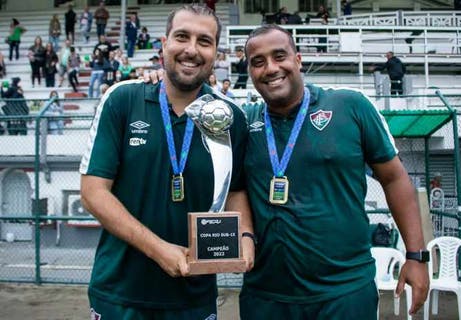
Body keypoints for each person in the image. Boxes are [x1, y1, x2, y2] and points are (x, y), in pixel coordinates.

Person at [237, 24, 429, 319]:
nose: (271, 68)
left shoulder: (350, 106)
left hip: (344, 292)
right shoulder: (244, 123)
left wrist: (416, 256)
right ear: (249, 71)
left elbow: (394, 178)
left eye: (279, 56)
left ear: (298, 60)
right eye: (258, 62)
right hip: (267, 296)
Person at [79, 5, 254, 320]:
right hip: (120, 295)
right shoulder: (122, 100)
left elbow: (235, 190)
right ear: (163, 43)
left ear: (216, 52)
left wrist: (245, 237)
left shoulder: (231, 117)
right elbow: (93, 193)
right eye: (182, 37)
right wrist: (159, 249)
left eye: (204, 41)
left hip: (193, 297)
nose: (191, 49)